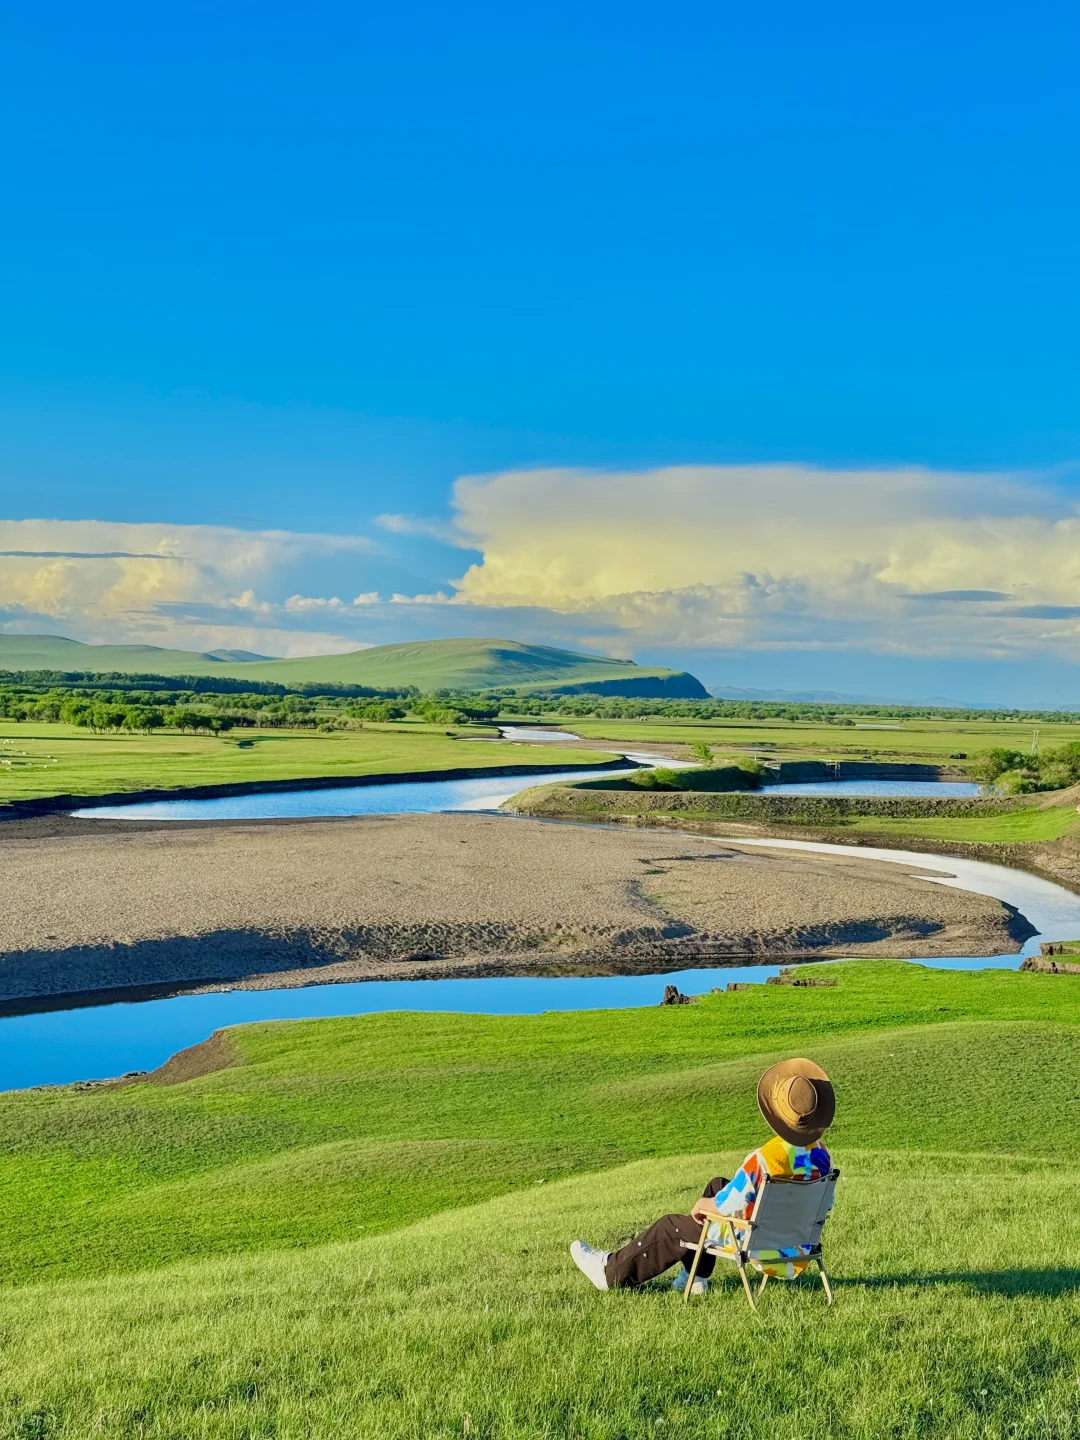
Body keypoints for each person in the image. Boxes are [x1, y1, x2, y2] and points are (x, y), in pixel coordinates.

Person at [570, 1058, 834, 1294]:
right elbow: (825, 1205)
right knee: (717, 1185)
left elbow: (727, 1205)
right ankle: (695, 1277)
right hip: (796, 1245)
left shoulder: (764, 1160)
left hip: (756, 1241)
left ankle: (610, 1273)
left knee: (671, 1226)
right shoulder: (822, 1158)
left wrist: (701, 1205)